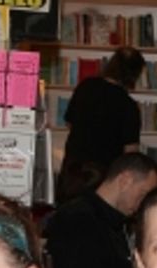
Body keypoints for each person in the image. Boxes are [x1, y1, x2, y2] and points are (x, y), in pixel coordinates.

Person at [45, 151, 157, 268]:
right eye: (142, 193)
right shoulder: (79, 220)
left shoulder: (113, 220)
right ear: (125, 180)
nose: (143, 203)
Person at [56, 46, 145, 205]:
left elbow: (69, 122)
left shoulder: (86, 87)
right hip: (104, 175)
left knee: (67, 217)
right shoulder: (128, 105)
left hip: (73, 169)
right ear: (134, 74)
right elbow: (130, 152)